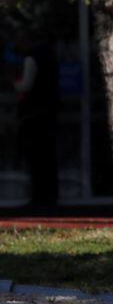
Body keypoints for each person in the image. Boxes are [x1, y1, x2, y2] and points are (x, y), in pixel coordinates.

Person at [14, 36, 59, 208]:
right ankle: (49, 197)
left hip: (34, 115)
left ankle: (40, 198)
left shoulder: (31, 59)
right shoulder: (50, 58)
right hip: (47, 113)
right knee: (47, 157)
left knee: (37, 158)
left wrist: (14, 84)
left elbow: (25, 85)